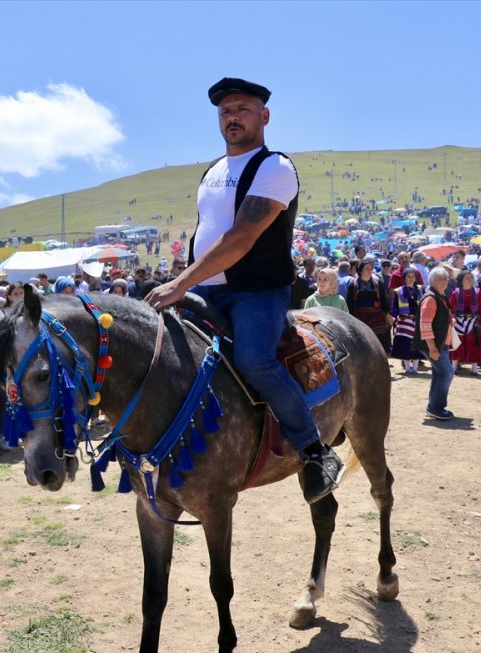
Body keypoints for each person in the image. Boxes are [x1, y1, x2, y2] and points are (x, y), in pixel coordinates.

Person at [145, 76, 343, 504]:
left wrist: (180, 282)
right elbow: (207, 233)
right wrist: (188, 279)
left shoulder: (274, 167)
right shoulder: (213, 171)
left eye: (242, 109)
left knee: (255, 361)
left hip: (256, 291)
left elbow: (241, 238)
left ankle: (314, 451)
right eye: (225, 111)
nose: (232, 117)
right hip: (207, 290)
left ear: (264, 116)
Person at [414, 267, 457, 420]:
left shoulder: (440, 296)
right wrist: (432, 347)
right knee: (447, 373)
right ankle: (437, 408)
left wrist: (449, 320)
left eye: (445, 279)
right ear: (432, 281)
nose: (444, 282)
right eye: (440, 279)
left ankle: (434, 407)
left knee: (440, 374)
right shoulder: (431, 298)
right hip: (433, 345)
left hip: (439, 345)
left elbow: (438, 317)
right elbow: (424, 324)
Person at [347, 258, 394, 354]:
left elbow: (384, 300)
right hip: (359, 317)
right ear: (360, 270)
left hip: (376, 316)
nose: (369, 271)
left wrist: (387, 313)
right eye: (366, 268)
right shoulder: (353, 284)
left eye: (371, 268)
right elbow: (349, 303)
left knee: (378, 341)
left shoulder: (377, 282)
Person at [449, 270, 481, 375]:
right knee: (456, 344)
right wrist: (451, 319)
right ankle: (453, 367)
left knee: (475, 345)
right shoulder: (455, 293)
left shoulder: (478, 292)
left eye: (471, 277)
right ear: (461, 280)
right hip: (458, 323)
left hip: (473, 322)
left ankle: (474, 368)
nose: (469, 280)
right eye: (467, 278)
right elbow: (450, 309)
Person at [389, 268, 425, 373]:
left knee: (417, 344)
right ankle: (408, 367)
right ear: (404, 278)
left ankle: (415, 367)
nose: (411, 279)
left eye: (413, 276)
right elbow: (394, 307)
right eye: (408, 276)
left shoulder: (420, 289)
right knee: (405, 344)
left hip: (417, 321)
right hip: (404, 322)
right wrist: (393, 316)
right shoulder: (399, 291)